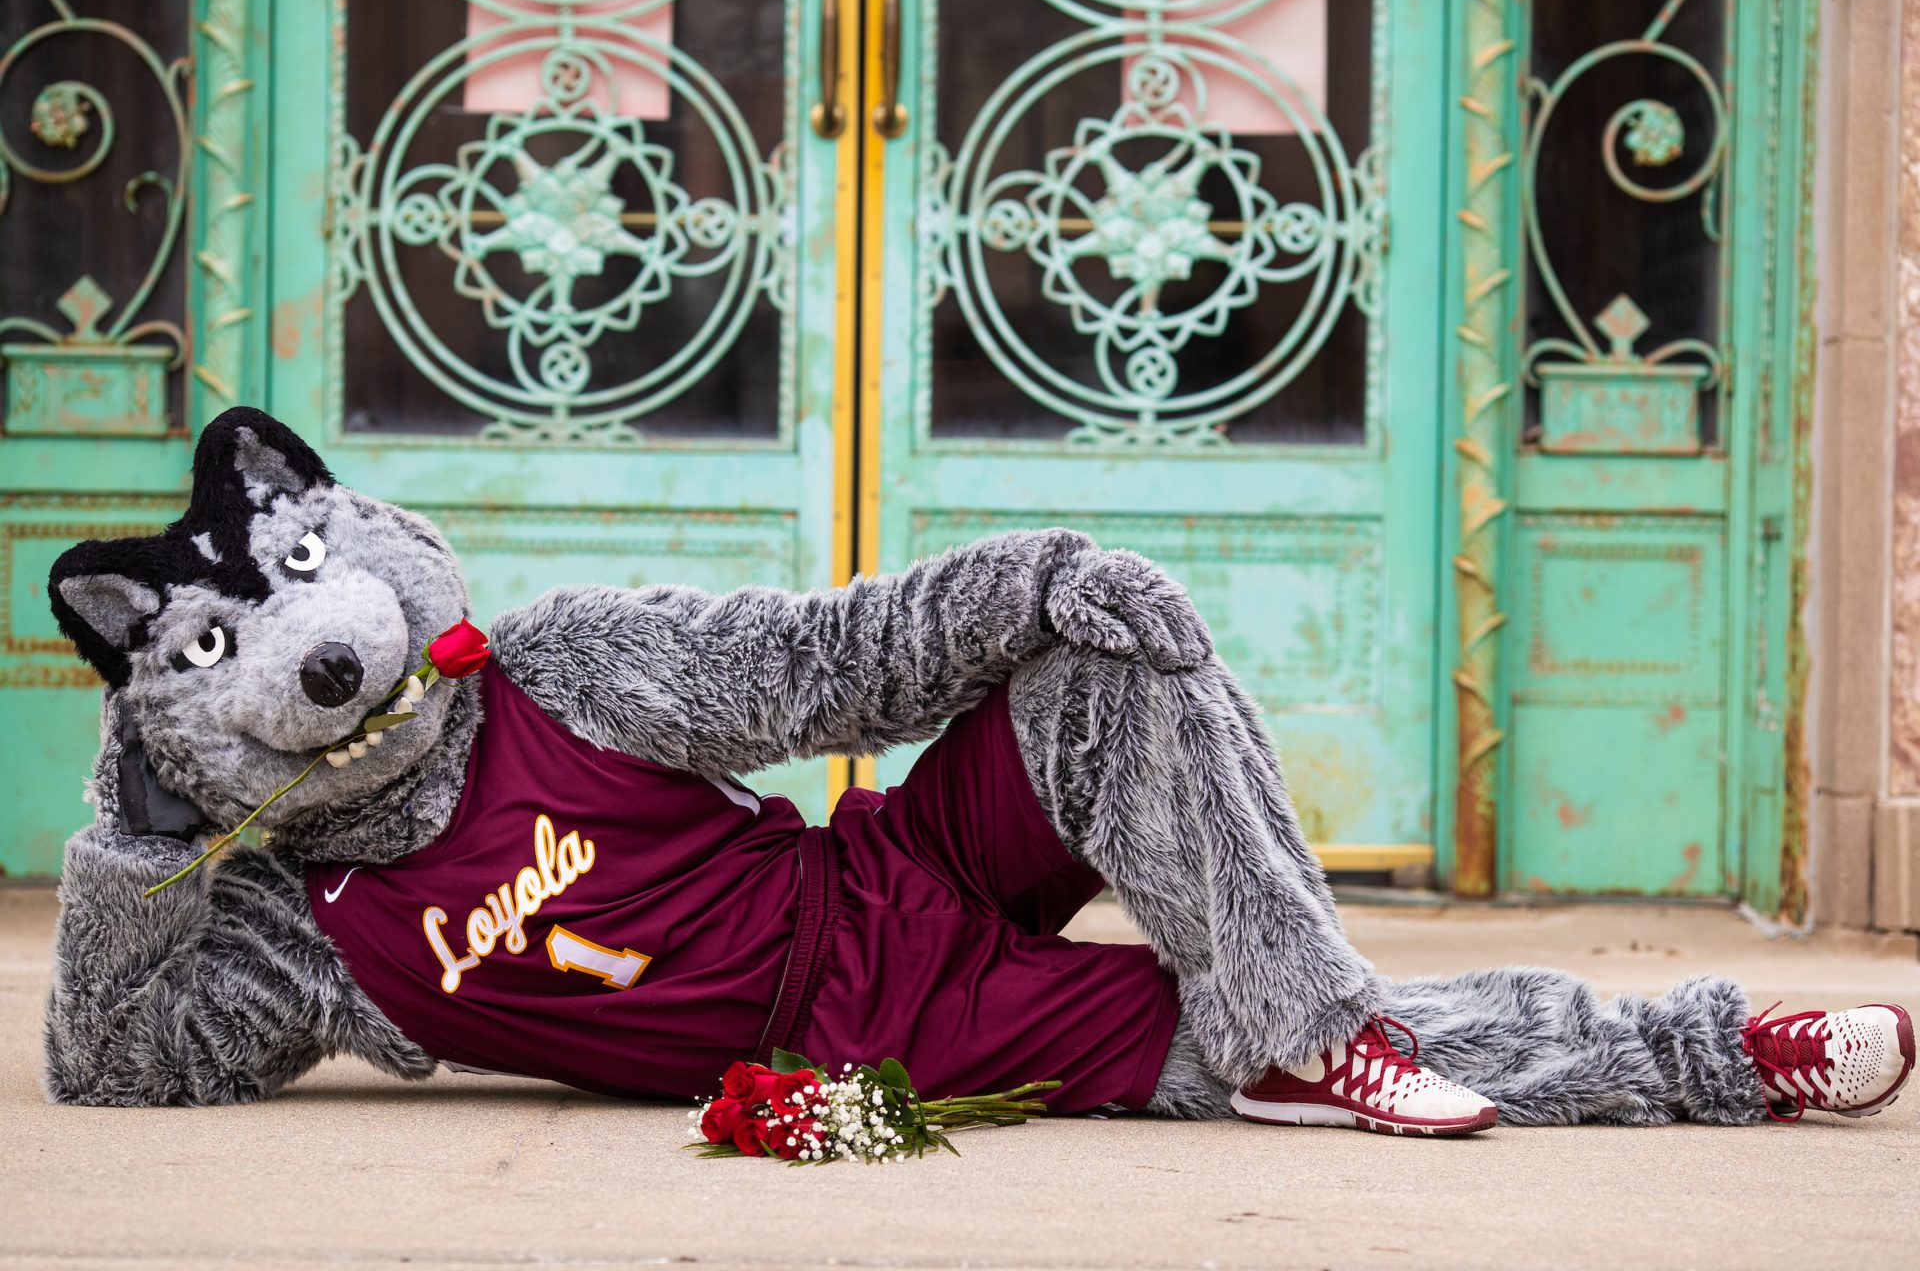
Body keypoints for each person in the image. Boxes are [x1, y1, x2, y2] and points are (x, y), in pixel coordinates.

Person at [41, 409, 1913, 1132]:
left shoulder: (564, 665)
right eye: (210, 658)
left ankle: (1302, 1018)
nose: (322, 650)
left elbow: (831, 656)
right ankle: (1711, 1051)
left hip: (890, 869)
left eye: (294, 586)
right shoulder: (327, 935)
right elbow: (116, 1063)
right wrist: (137, 827)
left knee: (1105, 665)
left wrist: (1041, 573)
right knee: (1231, 1047)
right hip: (904, 1042)